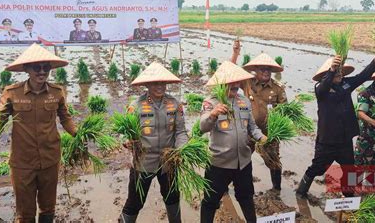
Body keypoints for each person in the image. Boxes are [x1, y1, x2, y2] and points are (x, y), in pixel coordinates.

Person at [0, 43, 77, 223]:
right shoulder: (12, 93)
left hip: (50, 159)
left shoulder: (57, 92)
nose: (42, 72)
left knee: (48, 207)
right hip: (22, 162)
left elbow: (65, 118)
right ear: (26, 69)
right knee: (25, 211)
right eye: (36, 67)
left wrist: (80, 135)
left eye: (45, 67)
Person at [296, 51, 375, 198]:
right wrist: (331, 70)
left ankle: (348, 197)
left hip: (344, 140)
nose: (340, 74)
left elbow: (363, 76)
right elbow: (323, 87)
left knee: (349, 170)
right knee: (318, 168)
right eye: (337, 72)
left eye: (340, 71)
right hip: (327, 141)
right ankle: (301, 192)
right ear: (327, 74)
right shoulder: (320, 88)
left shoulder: (346, 84)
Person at [120, 62, 188, 223]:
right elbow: (124, 133)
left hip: (168, 162)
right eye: (155, 83)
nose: (160, 86)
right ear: (147, 85)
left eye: (162, 82)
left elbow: (180, 132)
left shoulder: (175, 104)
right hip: (143, 163)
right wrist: (126, 141)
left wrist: (181, 149)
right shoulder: (135, 106)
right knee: (135, 202)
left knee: (172, 197)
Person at [200, 61, 267, 223]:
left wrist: (261, 137)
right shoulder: (211, 102)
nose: (235, 84)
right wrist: (213, 114)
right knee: (210, 201)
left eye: (237, 81)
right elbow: (203, 127)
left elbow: (252, 126)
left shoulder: (243, 101)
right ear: (221, 83)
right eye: (231, 82)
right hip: (218, 163)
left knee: (246, 197)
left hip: (243, 162)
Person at [231, 41, 287, 191]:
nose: (266, 72)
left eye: (268, 69)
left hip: (269, 133)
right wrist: (235, 54)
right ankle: (236, 187)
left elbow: (284, 111)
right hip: (248, 131)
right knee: (241, 159)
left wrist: (277, 128)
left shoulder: (278, 88)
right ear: (255, 70)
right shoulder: (248, 82)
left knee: (273, 161)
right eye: (262, 69)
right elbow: (230, 73)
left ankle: (277, 189)